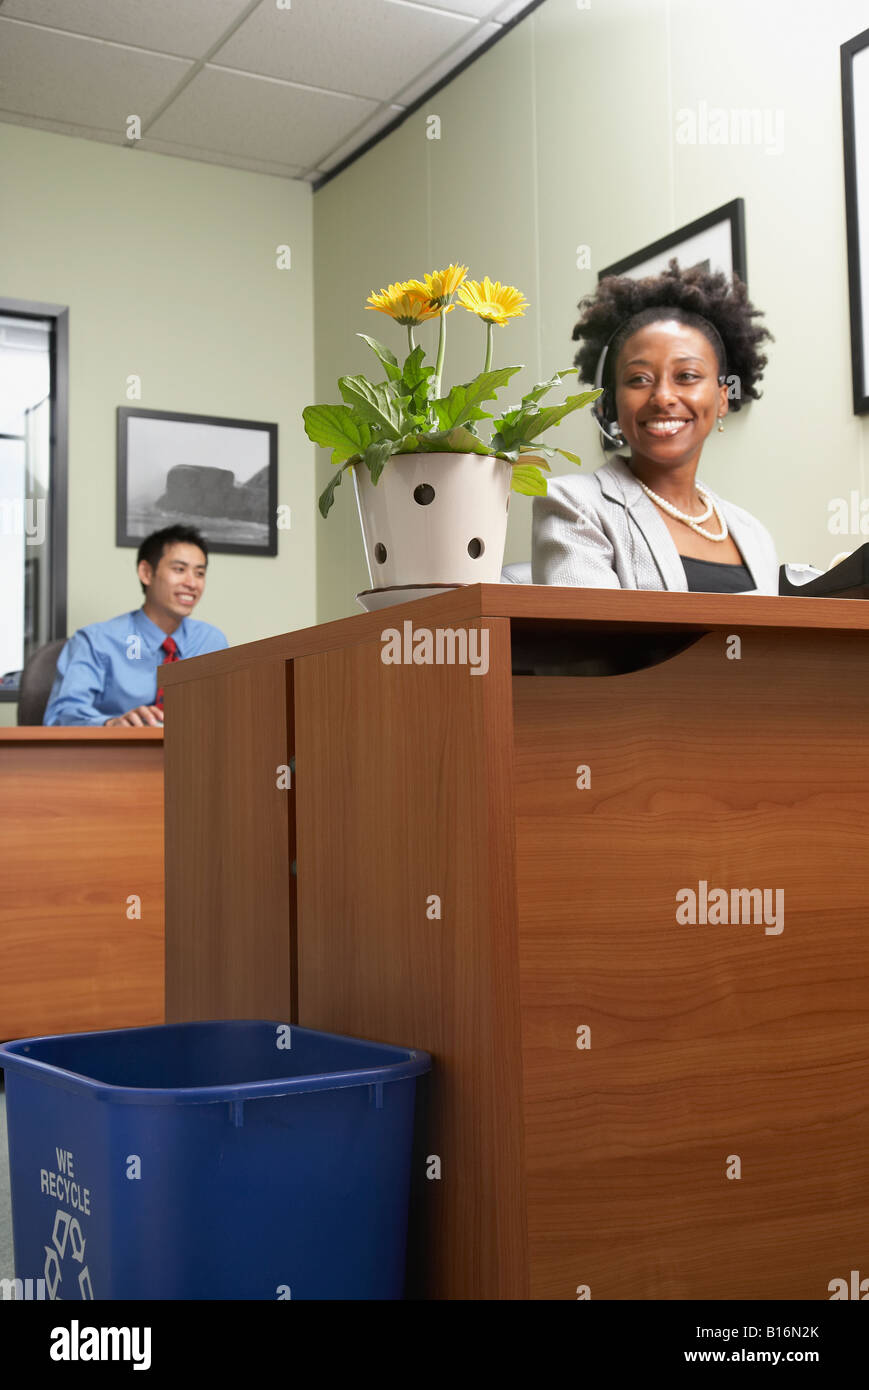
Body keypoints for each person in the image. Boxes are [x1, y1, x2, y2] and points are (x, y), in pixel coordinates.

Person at [532, 259, 779, 593]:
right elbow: (590, 641)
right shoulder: (576, 506)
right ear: (611, 403)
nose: (663, 397)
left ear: (723, 398)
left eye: (687, 376)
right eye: (639, 379)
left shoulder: (752, 532)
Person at [43, 525, 228, 726]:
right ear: (146, 573)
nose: (192, 583)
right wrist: (111, 725)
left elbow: (229, 714)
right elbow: (61, 717)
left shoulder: (211, 642)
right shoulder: (95, 642)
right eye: (179, 570)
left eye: (200, 573)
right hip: (119, 755)